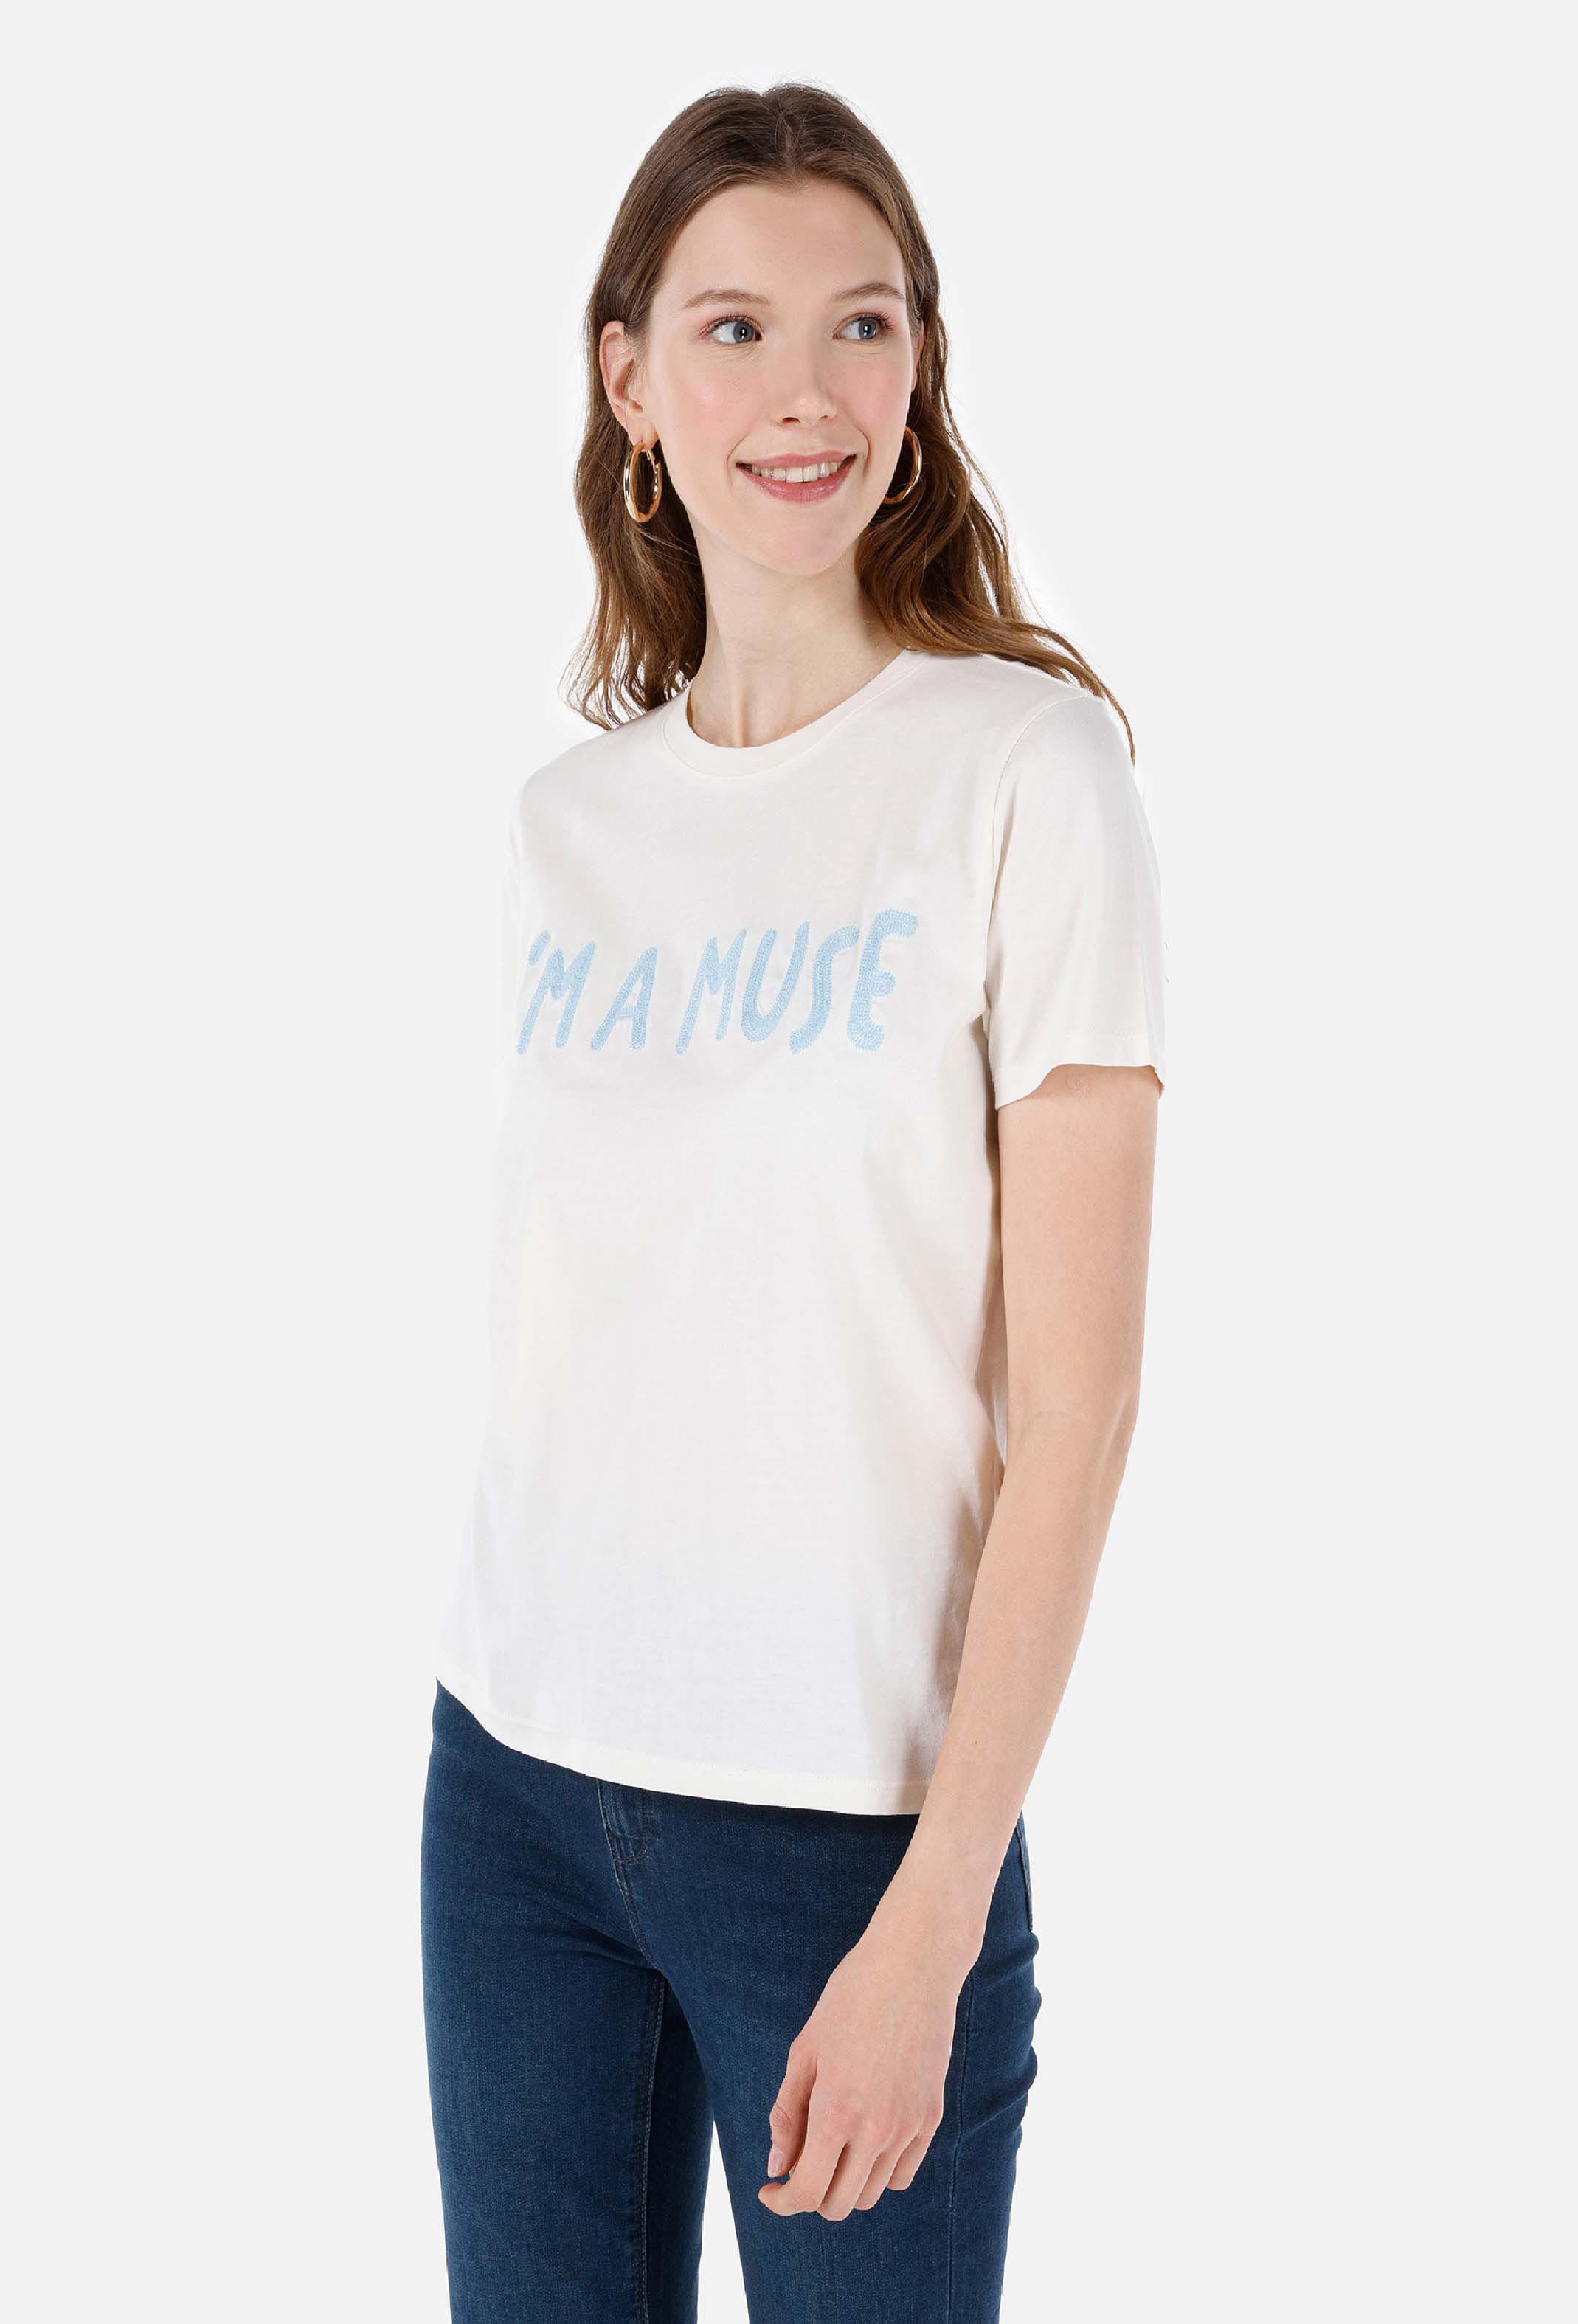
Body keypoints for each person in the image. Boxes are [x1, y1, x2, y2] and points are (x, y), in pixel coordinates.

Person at [421, 80, 1167, 2323]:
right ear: (629, 381)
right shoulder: (569, 825)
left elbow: (1080, 1415)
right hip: (515, 1790)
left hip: (849, 1832)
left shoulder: (1027, 773)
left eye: (863, 321)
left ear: (920, 363)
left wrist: (936, 1917)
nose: (807, 389)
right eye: (732, 329)